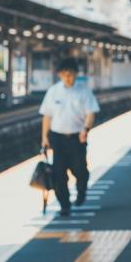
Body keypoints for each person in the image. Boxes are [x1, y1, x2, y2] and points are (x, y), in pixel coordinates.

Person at [39, 58, 100, 216]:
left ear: (76, 74)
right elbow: (47, 116)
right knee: (58, 174)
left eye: (71, 73)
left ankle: (81, 191)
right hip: (57, 138)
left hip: (77, 138)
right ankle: (64, 205)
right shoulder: (53, 91)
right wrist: (44, 137)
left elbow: (90, 113)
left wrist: (86, 129)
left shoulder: (84, 91)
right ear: (59, 74)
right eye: (64, 73)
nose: (68, 76)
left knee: (79, 169)